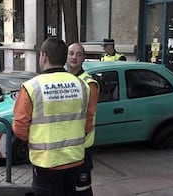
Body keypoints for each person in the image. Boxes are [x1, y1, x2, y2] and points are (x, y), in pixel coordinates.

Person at [12, 37, 90, 196]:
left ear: (44, 56)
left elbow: (20, 129)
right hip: (75, 159)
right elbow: (88, 124)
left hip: (46, 162)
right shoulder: (82, 85)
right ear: (64, 58)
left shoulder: (31, 87)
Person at [67, 43, 99, 195]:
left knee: (82, 189)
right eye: (71, 53)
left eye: (78, 54)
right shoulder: (63, 79)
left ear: (83, 58)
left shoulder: (89, 83)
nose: (74, 57)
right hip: (65, 147)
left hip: (82, 147)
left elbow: (89, 117)